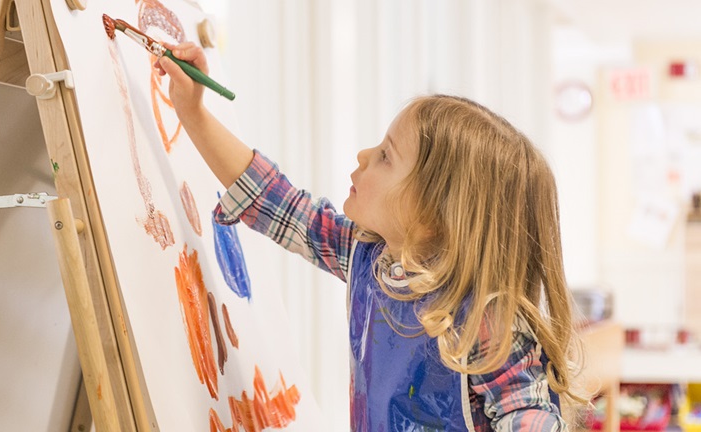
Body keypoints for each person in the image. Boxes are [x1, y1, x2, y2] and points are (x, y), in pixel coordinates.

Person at [155, 41, 583, 431]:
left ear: (434, 214)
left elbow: (533, 416)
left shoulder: (481, 320)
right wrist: (193, 113)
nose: (363, 156)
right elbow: (276, 201)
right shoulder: (368, 256)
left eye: (385, 156)